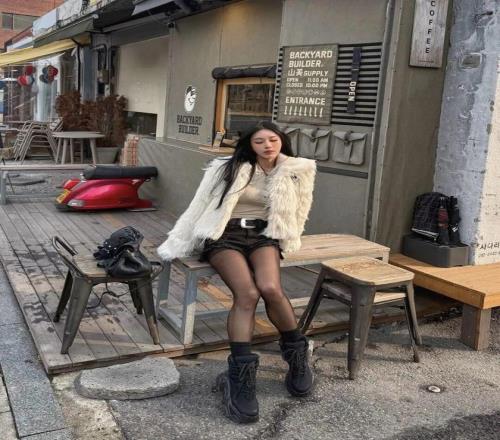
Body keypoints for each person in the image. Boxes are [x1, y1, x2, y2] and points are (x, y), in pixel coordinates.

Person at [158, 121, 316, 424]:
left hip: (264, 236)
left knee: (271, 288)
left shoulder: (295, 170)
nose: (267, 146)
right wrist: (180, 239)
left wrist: (290, 237)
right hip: (225, 236)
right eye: (260, 141)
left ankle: (297, 357)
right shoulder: (227, 167)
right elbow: (200, 203)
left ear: (281, 141)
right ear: (249, 144)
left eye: (273, 140)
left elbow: (299, 209)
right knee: (247, 293)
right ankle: (240, 376)